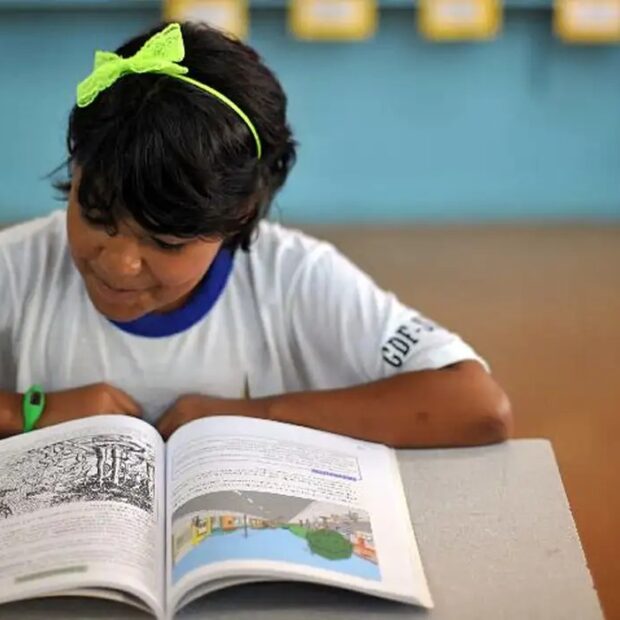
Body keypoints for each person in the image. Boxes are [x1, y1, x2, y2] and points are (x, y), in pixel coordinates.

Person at [0, 22, 512, 446]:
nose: (118, 263)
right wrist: (25, 413)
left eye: (166, 242)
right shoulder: (20, 265)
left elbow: (477, 405)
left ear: (238, 217)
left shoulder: (292, 279)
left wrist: (255, 415)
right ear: (76, 169)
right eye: (95, 216)